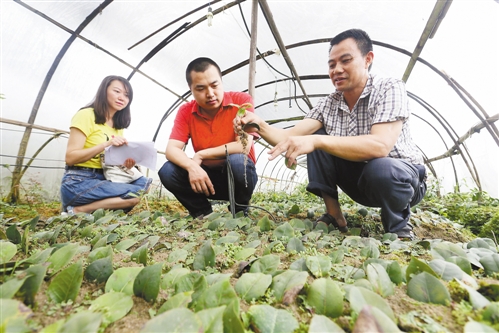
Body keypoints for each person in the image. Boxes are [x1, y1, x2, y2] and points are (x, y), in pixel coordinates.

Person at [235, 29, 426, 239]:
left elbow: (380, 146)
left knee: (380, 167)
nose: (337, 69)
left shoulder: (389, 88)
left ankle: (398, 228)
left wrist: (317, 140)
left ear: (367, 59)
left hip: (402, 180)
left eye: (345, 60)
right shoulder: (329, 103)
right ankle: (334, 215)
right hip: (360, 181)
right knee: (314, 134)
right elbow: (290, 136)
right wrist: (259, 125)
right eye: (332, 64)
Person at [158, 57, 258, 218]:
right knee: (168, 171)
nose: (210, 94)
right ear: (191, 89)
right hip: (205, 180)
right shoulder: (186, 111)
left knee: (238, 161)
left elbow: (243, 146)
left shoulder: (241, 101)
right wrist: (192, 167)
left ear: (221, 81)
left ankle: (239, 210)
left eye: (214, 85)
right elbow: (171, 149)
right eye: (201, 88)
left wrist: (201, 154)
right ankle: (202, 212)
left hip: (239, 178)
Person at [60, 75, 152, 214]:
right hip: (78, 181)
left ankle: (84, 210)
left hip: (105, 178)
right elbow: (71, 157)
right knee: (135, 194)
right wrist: (105, 144)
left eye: (126, 95)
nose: (122, 98)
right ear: (104, 91)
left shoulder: (118, 126)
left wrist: (125, 163)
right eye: (117, 91)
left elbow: (111, 162)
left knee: (143, 186)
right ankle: (77, 210)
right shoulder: (86, 115)